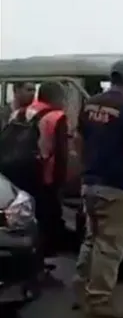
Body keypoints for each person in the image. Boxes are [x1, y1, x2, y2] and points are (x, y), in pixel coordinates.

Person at [73, 59, 123, 318]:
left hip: (90, 184)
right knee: (110, 245)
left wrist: (87, 168)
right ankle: (99, 299)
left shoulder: (91, 104)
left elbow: (78, 140)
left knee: (92, 238)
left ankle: (81, 291)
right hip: (115, 186)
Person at [22, 82, 70, 256]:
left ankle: (32, 249)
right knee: (49, 212)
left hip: (25, 170)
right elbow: (61, 152)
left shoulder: (24, 111)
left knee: (33, 212)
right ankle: (46, 251)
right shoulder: (57, 117)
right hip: (46, 172)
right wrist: (63, 180)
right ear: (56, 97)